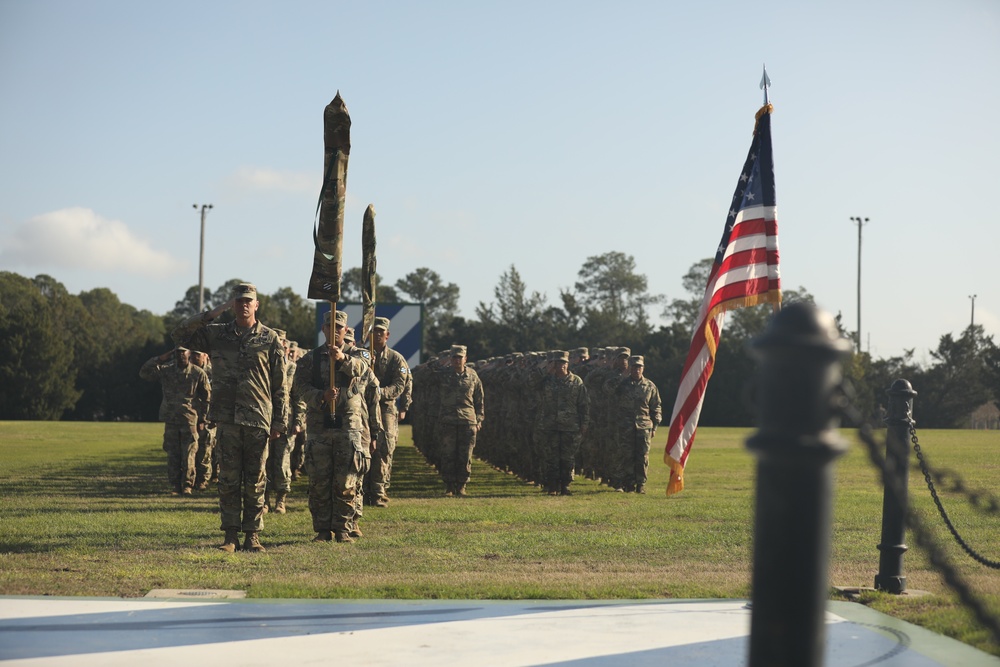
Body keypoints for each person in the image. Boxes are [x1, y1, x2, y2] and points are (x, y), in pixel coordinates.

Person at [172, 283, 289, 553]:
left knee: (256, 479)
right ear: (232, 304)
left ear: (257, 305)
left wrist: (280, 421)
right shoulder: (217, 334)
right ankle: (230, 536)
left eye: (249, 300)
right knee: (228, 479)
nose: (244, 304)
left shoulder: (269, 339)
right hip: (226, 418)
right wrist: (213, 313)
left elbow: (280, 385)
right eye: (238, 301)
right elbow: (179, 334)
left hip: (258, 418)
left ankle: (252, 535)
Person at [294, 310, 379, 542]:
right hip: (319, 426)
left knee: (346, 480)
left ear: (345, 330)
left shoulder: (359, 354)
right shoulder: (310, 359)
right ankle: (322, 529)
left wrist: (341, 359)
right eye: (330, 327)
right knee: (319, 480)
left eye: (339, 328)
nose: (335, 332)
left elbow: (362, 371)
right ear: (324, 330)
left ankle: (343, 527)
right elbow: (299, 386)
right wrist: (320, 395)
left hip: (348, 426)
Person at [139, 346, 210, 495]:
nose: (180, 357)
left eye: (183, 354)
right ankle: (175, 486)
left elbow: (207, 398)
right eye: (177, 354)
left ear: (189, 354)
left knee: (189, 455)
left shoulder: (197, 373)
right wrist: (160, 358)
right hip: (170, 419)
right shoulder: (166, 370)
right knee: (173, 455)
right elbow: (144, 373)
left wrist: (203, 419)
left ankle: (188, 486)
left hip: (189, 420)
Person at [367, 316, 410, 507]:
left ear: (387, 335)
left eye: (380, 332)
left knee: (383, 448)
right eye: (374, 331)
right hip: (364, 408)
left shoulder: (396, 358)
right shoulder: (362, 355)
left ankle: (378, 491)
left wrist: (378, 393)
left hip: (385, 409)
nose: (377, 335)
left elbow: (399, 385)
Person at [533, 350, 590, 495]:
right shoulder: (546, 380)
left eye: (563, 363)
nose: (561, 366)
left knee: (567, 458)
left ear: (568, 363)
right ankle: (552, 485)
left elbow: (583, 404)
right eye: (558, 363)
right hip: (549, 425)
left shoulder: (576, 381)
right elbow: (531, 385)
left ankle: (565, 485)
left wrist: (584, 423)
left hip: (570, 426)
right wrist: (546, 371)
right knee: (551, 457)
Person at [608, 355, 661, 493]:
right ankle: (629, 484)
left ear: (643, 368)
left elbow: (656, 407)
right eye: (634, 367)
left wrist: (655, 426)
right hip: (625, 426)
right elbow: (607, 389)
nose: (636, 370)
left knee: (642, 456)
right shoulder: (622, 384)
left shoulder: (650, 386)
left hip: (644, 426)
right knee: (626, 455)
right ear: (629, 368)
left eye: (639, 367)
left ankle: (641, 484)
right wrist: (619, 376)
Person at [437, 344, 485, 497]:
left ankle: (462, 485)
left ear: (466, 359)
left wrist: (479, 420)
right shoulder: (443, 374)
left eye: (460, 357)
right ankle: (450, 486)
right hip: (448, 420)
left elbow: (479, 400)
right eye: (454, 357)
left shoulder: (473, 376)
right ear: (450, 359)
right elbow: (423, 378)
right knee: (448, 454)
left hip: (467, 421)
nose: (457, 360)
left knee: (465, 455)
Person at [189, 350, 218, 488]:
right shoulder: (190, 372)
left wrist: (206, 418)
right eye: (193, 354)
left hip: (208, 416)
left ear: (205, 356)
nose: (194, 357)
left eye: (197, 355)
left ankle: (203, 479)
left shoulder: (214, 373)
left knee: (206, 448)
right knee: (192, 448)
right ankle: (192, 477)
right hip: (192, 415)